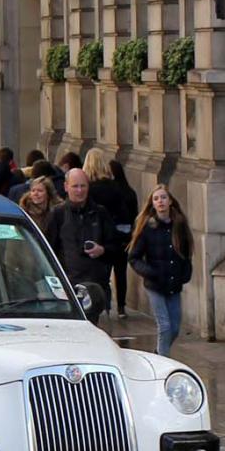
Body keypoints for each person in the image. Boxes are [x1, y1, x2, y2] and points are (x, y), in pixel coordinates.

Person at [43, 169, 117, 321]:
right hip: (68, 285)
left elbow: (116, 247)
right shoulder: (58, 214)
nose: (79, 190)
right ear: (66, 187)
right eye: (75, 186)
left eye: (83, 186)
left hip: (94, 284)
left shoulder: (100, 213)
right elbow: (49, 251)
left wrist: (102, 250)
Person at [128, 185, 194, 356]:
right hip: (155, 283)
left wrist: (185, 273)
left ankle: (158, 352)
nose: (160, 202)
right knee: (164, 326)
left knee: (174, 328)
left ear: (170, 201)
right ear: (152, 204)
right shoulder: (147, 228)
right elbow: (134, 257)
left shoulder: (179, 225)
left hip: (174, 282)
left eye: (163, 197)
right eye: (156, 199)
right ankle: (164, 362)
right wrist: (149, 272)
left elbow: (186, 252)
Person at [84, 150, 138, 317]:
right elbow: (125, 212)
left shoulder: (89, 190)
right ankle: (121, 307)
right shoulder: (116, 187)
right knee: (120, 271)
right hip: (120, 234)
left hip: (99, 235)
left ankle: (104, 304)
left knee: (102, 273)